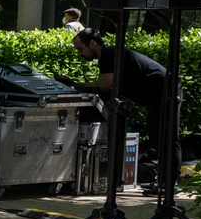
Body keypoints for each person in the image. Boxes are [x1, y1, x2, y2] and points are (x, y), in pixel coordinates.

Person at [59, 27, 171, 189]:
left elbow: (104, 86)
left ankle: (169, 182)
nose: (79, 54)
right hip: (157, 95)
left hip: (165, 91)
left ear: (92, 43)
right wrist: (77, 84)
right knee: (158, 138)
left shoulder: (109, 55)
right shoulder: (109, 54)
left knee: (167, 138)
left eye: (80, 49)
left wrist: (76, 84)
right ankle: (163, 181)